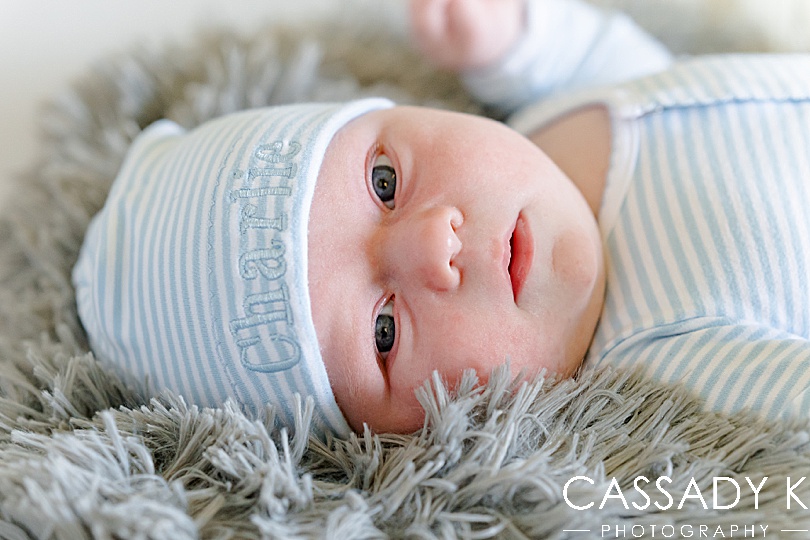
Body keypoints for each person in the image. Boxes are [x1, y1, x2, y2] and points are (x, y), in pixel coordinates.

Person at [73, 0, 810, 438]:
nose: (435, 244)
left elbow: (622, 62)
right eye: (383, 332)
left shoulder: (549, 122)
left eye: (384, 181)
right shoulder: (668, 364)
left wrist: (515, 41)